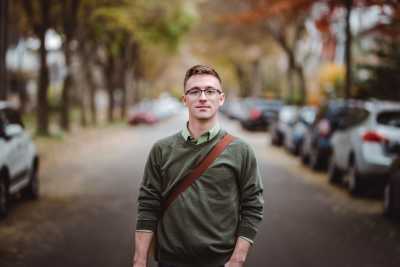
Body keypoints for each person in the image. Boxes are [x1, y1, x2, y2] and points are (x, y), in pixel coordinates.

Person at [133, 65, 264, 267]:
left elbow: (252, 206)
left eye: (210, 91)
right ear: (185, 100)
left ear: (221, 99)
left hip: (220, 262)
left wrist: (238, 258)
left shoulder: (241, 151)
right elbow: (148, 205)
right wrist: (140, 259)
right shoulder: (161, 150)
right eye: (194, 91)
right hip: (170, 262)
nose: (202, 97)